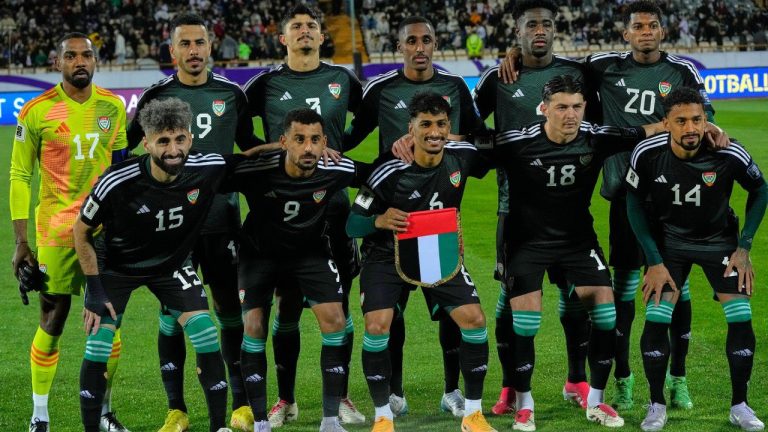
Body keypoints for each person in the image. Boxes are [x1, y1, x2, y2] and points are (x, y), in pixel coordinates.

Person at [75, 97, 274, 432]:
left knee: (206, 333)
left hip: (169, 266)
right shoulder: (117, 180)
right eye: (163, 141)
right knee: (99, 342)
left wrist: (290, 150)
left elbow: (247, 160)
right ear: (147, 142)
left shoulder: (206, 167)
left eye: (180, 139)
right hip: (117, 267)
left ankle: (217, 426)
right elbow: (80, 232)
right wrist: (94, 290)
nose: (173, 149)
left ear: (190, 140)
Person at [490, 74, 671, 430]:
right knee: (526, 322)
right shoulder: (516, 142)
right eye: (561, 107)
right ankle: (525, 404)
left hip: (577, 242)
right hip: (528, 242)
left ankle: (596, 402)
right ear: (544, 109)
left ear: (584, 107)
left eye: (576, 106)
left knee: (606, 316)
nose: (570, 114)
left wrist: (707, 127)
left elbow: (650, 129)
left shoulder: (596, 136)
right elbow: (465, 147)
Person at [343, 16, 485, 418]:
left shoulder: (455, 87)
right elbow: (353, 137)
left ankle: (452, 391)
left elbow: (477, 140)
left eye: (427, 39)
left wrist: (441, 137)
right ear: (399, 45)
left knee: (450, 313)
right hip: (394, 210)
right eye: (411, 40)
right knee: (391, 317)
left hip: (435, 219)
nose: (419, 47)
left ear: (436, 43)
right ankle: (394, 393)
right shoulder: (381, 89)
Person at [126, 13, 257, 432]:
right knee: (171, 314)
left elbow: (248, 149)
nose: (194, 51)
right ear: (172, 50)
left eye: (200, 43)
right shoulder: (156, 96)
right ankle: (176, 408)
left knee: (229, 310)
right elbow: (124, 153)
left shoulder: (232, 94)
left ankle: (242, 404)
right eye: (185, 44)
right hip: (172, 230)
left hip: (222, 223)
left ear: (210, 46)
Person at [584, 0, 715, 411]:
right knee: (623, 289)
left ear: (662, 31)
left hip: (672, 198)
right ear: (626, 34)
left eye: (652, 25)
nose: (645, 31)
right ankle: (623, 378)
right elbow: (554, 68)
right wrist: (515, 54)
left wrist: (714, 129)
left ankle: (678, 380)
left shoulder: (681, 72)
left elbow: (703, 119)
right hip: (625, 195)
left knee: (677, 288)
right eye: (637, 26)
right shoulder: (603, 66)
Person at [243, 4, 366, 427]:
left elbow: (364, 122)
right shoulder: (266, 83)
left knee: (339, 304)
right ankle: (286, 399)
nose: (305, 32)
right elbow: (243, 131)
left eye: (311, 26)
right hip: (281, 208)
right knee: (287, 305)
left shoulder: (342, 79)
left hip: (332, 205)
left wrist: (339, 146)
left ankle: (343, 396)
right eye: (296, 27)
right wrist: (276, 150)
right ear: (283, 38)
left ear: (321, 35)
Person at [472, 0, 592, 418]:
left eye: (546, 24)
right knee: (512, 297)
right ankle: (510, 386)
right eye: (530, 25)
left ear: (555, 29)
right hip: (516, 208)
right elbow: (471, 126)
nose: (539, 30)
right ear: (517, 30)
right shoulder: (498, 78)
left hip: (570, 205)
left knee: (574, 292)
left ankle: (577, 378)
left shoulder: (578, 73)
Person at [625, 87, 767, 432]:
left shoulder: (728, 152)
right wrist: (654, 261)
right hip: (669, 245)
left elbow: (760, 190)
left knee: (740, 317)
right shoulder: (647, 152)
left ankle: (740, 405)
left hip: (720, 244)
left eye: (698, 119)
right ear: (666, 123)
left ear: (707, 119)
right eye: (682, 120)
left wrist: (744, 246)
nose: (691, 127)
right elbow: (632, 203)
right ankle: (657, 404)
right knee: (657, 318)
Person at [10, 32, 130, 432]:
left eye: (88, 55)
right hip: (56, 232)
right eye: (71, 55)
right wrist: (22, 241)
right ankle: (39, 416)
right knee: (52, 318)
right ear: (56, 61)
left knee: (107, 321)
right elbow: (19, 175)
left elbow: (121, 172)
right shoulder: (36, 111)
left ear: (96, 61)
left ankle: (106, 413)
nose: (80, 61)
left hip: (102, 233)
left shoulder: (112, 107)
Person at [226, 107, 367, 432]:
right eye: (299, 140)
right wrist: (260, 150)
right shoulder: (257, 169)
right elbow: (215, 171)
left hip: (309, 251)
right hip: (260, 254)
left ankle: (330, 420)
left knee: (335, 320)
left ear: (325, 143)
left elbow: (378, 176)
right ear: (283, 142)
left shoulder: (335, 168)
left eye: (315, 140)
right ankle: (261, 421)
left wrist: (374, 216)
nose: (308, 148)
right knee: (255, 325)